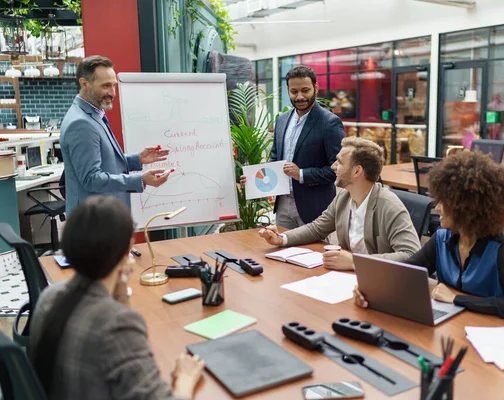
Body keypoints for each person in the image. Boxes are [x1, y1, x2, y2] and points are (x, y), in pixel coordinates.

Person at [29, 196, 205, 399]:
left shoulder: (50, 296)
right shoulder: (117, 324)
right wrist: (185, 378)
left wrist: (119, 289)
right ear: (123, 254)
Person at [353, 151, 504, 321]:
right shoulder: (442, 239)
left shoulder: (499, 249)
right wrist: (369, 291)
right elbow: (405, 273)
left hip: (486, 329)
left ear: (466, 209)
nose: (437, 207)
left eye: (445, 202)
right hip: (451, 324)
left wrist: (457, 299)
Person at [258, 137, 421, 270]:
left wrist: (354, 261)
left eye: (340, 162)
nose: (333, 167)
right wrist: (282, 239)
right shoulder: (344, 198)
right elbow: (316, 229)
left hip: (382, 283)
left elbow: (410, 254)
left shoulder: (389, 205)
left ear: (357, 171)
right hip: (349, 280)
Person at [60, 55, 171, 215]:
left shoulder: (92, 114)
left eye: (114, 86)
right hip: (93, 222)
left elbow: (105, 161)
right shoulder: (81, 123)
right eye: (106, 86)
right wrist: (140, 179)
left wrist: (137, 160)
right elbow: (91, 179)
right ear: (84, 84)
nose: (112, 93)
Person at [242, 65, 345, 228]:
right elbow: (275, 159)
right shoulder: (282, 120)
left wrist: (301, 174)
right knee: (280, 250)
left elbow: (339, 169)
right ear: (288, 90)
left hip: (314, 208)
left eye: (305, 90)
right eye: (294, 91)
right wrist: (255, 178)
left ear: (316, 88)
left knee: (312, 253)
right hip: (282, 205)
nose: (300, 96)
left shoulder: (329, 123)